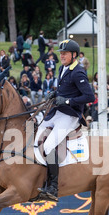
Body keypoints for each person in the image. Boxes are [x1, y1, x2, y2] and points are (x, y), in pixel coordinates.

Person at [35, 39, 94, 202]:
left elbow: (89, 96)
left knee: (48, 145)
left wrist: (68, 101)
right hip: (58, 111)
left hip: (70, 115)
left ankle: (53, 187)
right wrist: (55, 94)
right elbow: (64, 89)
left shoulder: (78, 72)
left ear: (74, 55)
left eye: (65, 53)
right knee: (35, 132)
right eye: (60, 53)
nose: (61, 56)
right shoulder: (62, 68)